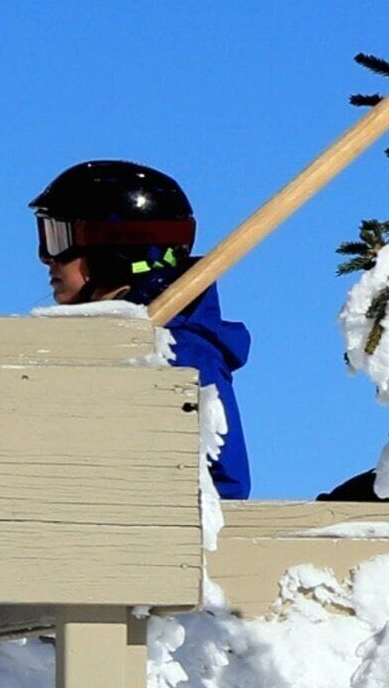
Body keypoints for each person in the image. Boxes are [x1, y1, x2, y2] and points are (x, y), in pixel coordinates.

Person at [33, 160, 251, 501]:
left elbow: (226, 485)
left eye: (58, 238)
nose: (46, 258)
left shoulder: (180, 353)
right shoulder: (75, 348)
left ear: (113, 249)